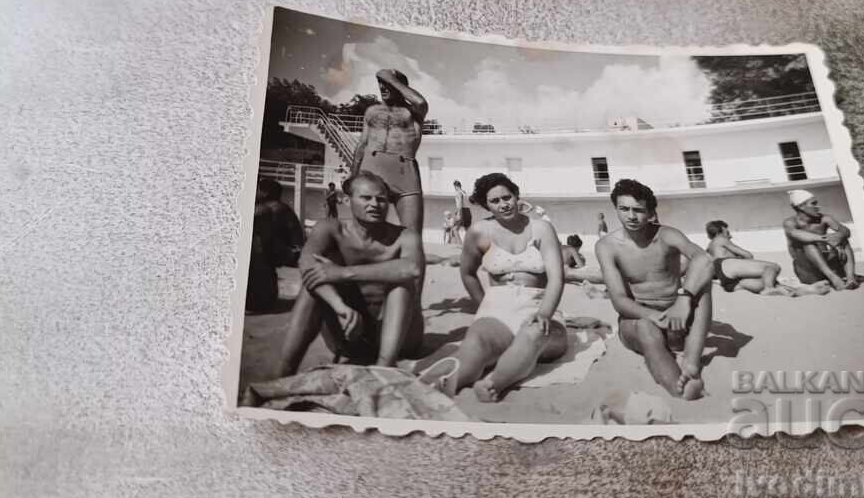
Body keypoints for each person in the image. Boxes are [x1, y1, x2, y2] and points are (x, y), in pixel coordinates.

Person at [414, 173, 568, 402]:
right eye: (495, 201)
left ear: (517, 196)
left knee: (534, 334)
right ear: (486, 205)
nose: (503, 204)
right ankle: (435, 384)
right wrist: (483, 305)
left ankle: (493, 383)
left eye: (507, 197)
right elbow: (468, 273)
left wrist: (544, 312)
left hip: (537, 306)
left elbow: (557, 277)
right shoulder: (479, 232)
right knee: (475, 348)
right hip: (497, 309)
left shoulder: (541, 229)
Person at [274, 172, 425, 377]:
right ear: (346, 200)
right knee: (312, 288)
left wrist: (342, 273)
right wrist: (339, 306)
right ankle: (284, 371)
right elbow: (306, 263)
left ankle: (385, 368)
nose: (374, 204)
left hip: (399, 339)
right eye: (366, 198)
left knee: (402, 285)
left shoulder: (405, 236)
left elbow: (412, 269)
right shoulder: (330, 228)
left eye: (381, 199)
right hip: (347, 330)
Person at [596, 179, 712, 400]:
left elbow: (704, 259)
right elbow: (620, 301)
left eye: (638, 210)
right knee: (645, 328)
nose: (631, 216)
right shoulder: (607, 246)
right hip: (638, 320)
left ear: (649, 212)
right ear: (616, 209)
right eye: (624, 209)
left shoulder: (667, 235)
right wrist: (656, 317)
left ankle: (691, 360)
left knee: (703, 282)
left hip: (677, 317)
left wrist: (684, 299)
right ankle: (681, 390)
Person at [349, 69, 428, 233]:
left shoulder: (413, 112)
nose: (382, 87)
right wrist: (353, 176)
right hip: (370, 169)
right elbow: (362, 145)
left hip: (403, 171)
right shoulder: (372, 111)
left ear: (400, 87)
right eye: (380, 83)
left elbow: (420, 102)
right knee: (367, 233)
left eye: (388, 84)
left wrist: (389, 77)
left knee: (411, 235)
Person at [705, 220, 829, 297]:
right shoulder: (720, 239)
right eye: (727, 231)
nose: (729, 234)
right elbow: (748, 255)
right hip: (727, 267)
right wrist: (740, 257)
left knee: (773, 285)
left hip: (729, 281)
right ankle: (769, 289)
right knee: (772, 267)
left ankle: (808, 290)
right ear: (720, 230)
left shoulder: (710, 247)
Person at [245, 177, 305, 313]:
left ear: (266, 192)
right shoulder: (281, 208)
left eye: (258, 190)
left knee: (256, 248)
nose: (255, 192)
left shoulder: (267, 209)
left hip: (284, 252)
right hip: (285, 251)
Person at [783, 190, 859, 290]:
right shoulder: (790, 222)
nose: (818, 207)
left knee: (843, 240)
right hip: (808, 271)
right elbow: (797, 234)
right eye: (813, 204)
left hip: (829, 264)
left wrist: (839, 238)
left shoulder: (824, 218)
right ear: (801, 206)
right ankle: (834, 278)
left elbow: (845, 231)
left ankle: (850, 278)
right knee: (808, 244)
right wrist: (827, 239)